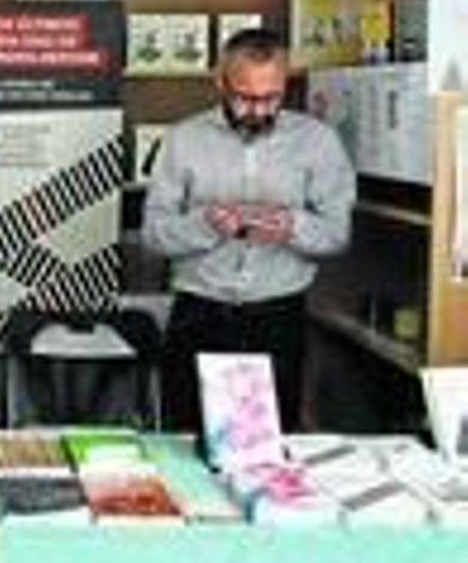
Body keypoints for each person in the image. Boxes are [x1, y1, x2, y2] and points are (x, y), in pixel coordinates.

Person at [142, 26, 355, 432]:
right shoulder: (182, 140)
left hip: (278, 317)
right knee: (187, 438)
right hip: (198, 314)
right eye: (244, 97)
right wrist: (205, 224)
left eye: (271, 97)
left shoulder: (318, 142)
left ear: (285, 84)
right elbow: (154, 233)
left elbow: (337, 233)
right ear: (219, 82)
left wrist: (293, 226)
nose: (257, 110)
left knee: (269, 442)